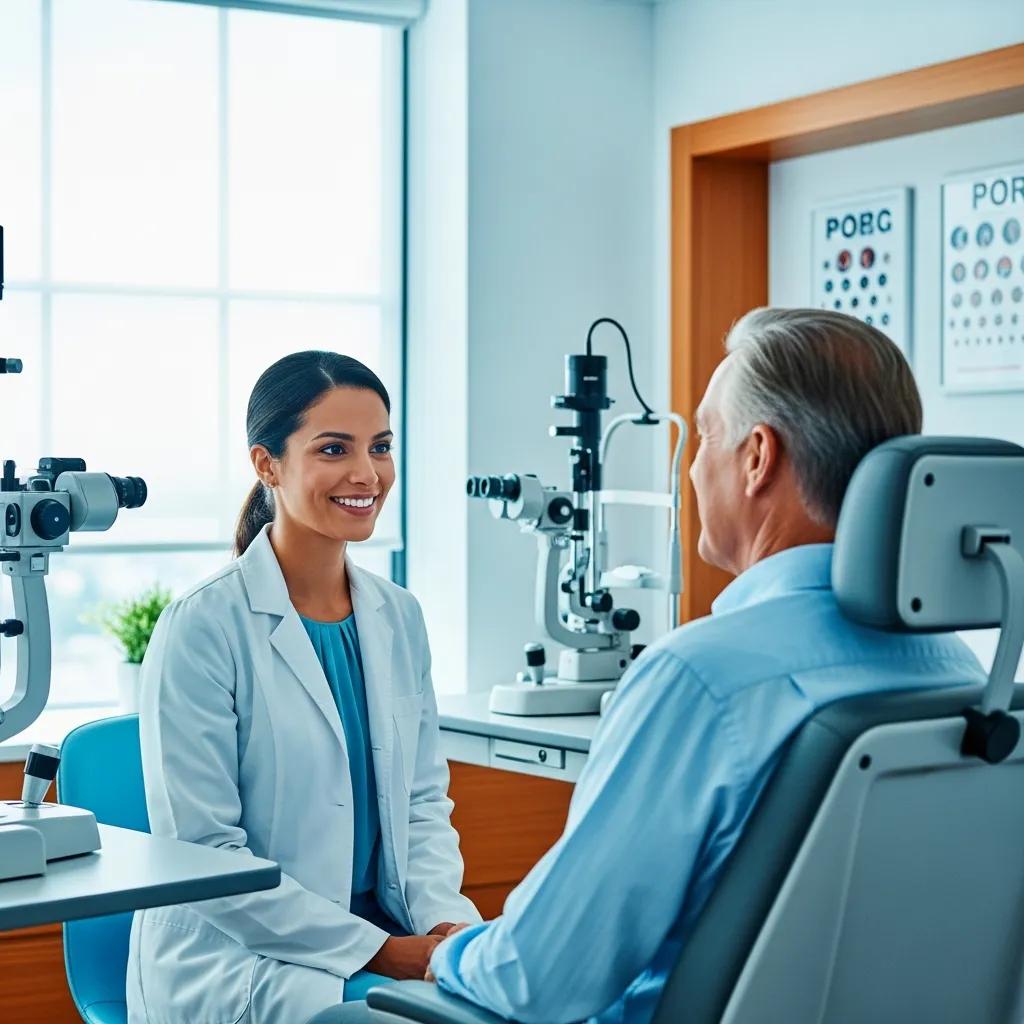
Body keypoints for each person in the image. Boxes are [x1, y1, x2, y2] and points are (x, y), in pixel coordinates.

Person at [425, 308, 987, 1023]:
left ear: (757, 457)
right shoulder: (963, 677)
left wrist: (450, 951)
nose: (692, 467)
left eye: (707, 436)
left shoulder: (703, 682)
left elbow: (537, 982)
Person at [126, 351, 480, 1024]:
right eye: (333, 449)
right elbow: (210, 863)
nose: (366, 474)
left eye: (380, 447)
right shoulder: (203, 625)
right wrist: (385, 953)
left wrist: (443, 928)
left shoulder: (397, 616)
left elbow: (421, 803)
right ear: (267, 464)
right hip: (245, 960)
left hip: (390, 937)